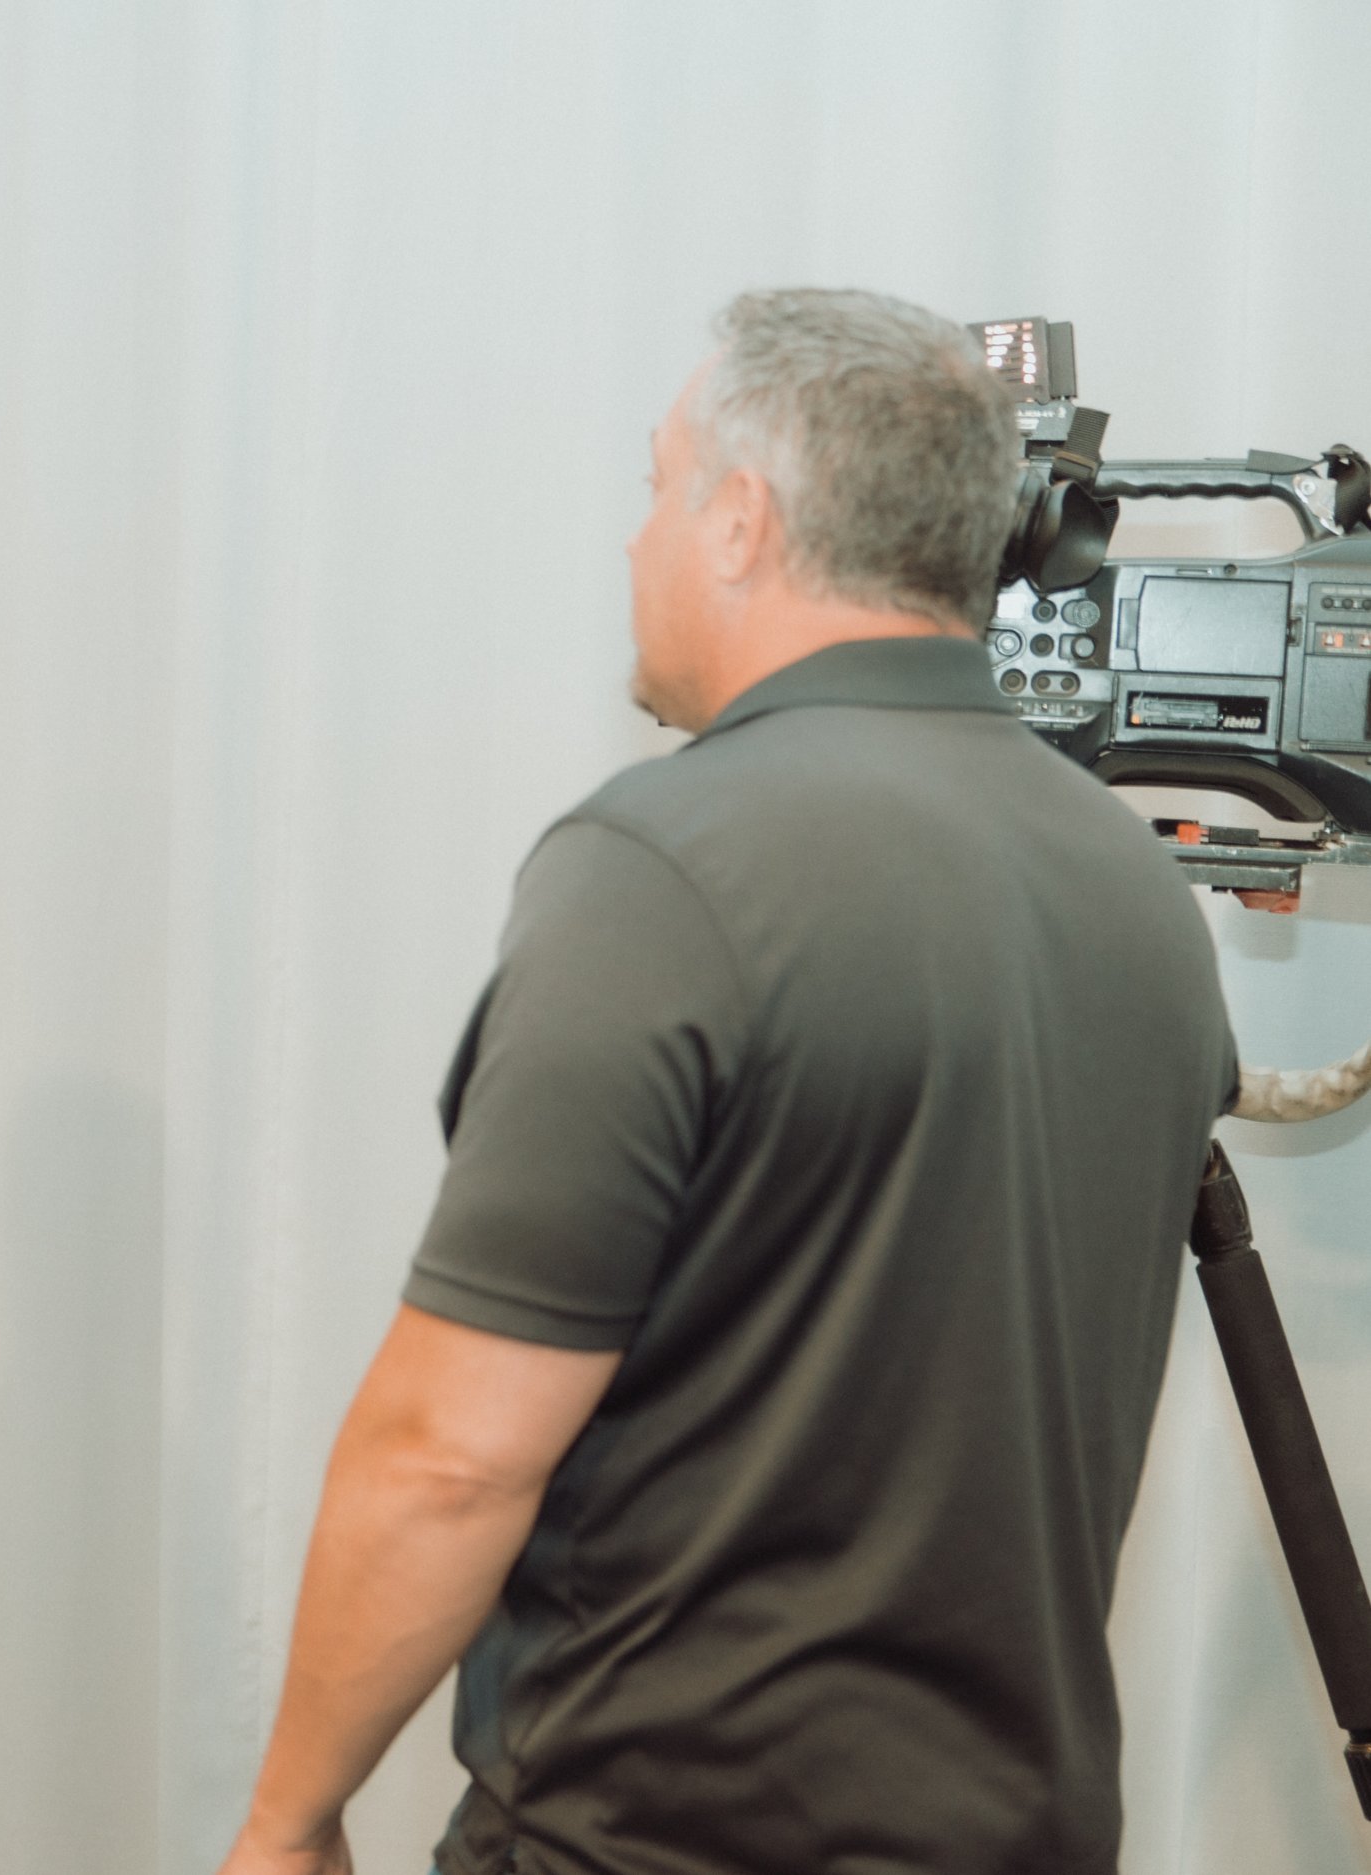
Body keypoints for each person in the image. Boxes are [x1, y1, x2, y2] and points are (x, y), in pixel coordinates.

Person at [215, 290, 1240, 1875]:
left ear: (742, 520)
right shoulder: (1139, 893)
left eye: (657, 488)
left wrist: (288, 1823)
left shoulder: (665, 869)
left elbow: (453, 1452)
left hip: (657, 1839)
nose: (637, 541)